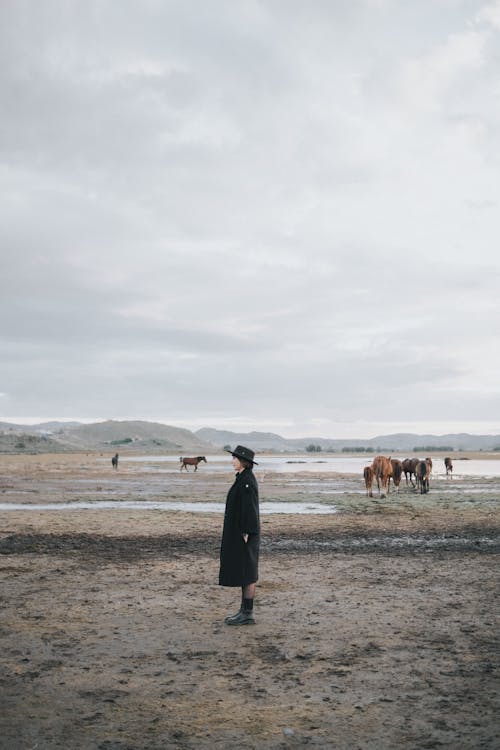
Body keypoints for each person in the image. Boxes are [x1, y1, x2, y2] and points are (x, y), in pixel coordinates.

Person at [219, 445, 260, 625]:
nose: (232, 461)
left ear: (243, 461)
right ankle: (244, 611)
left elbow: (250, 509)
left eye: (234, 458)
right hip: (242, 532)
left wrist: (247, 532)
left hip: (246, 534)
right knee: (245, 572)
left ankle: (247, 613)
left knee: (248, 573)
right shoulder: (243, 478)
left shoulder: (247, 481)